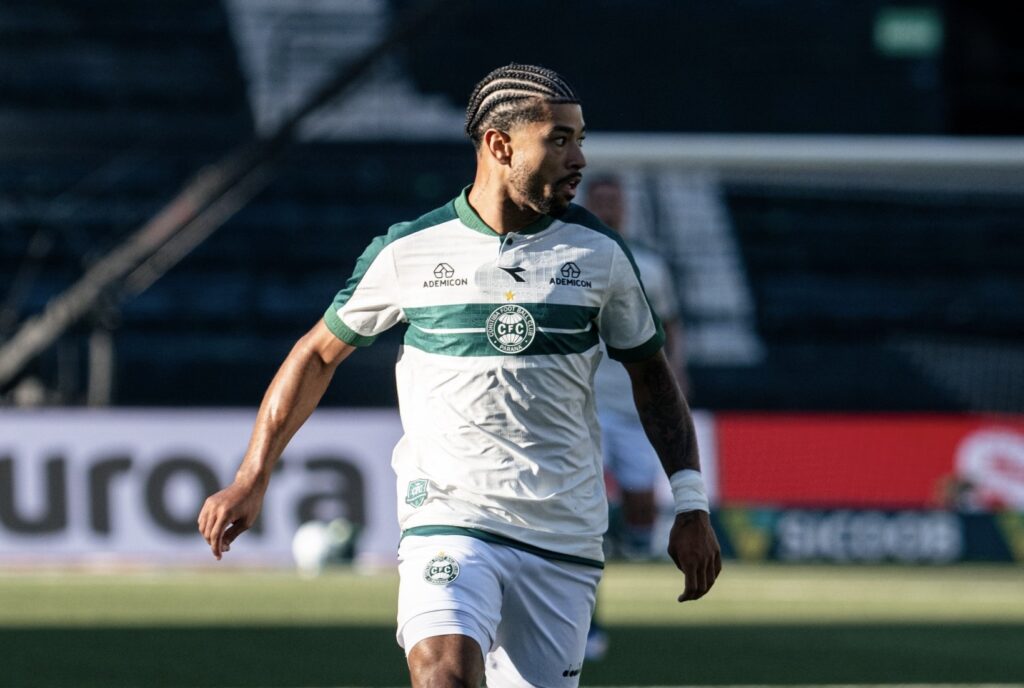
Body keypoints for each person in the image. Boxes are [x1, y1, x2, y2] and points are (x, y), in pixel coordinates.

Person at [198, 63, 721, 688]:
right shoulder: (409, 250)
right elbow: (316, 355)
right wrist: (251, 476)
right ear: (500, 145)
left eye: (580, 139)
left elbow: (654, 379)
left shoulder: (600, 255)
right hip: (449, 517)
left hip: (563, 533)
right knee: (444, 675)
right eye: (559, 139)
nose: (579, 158)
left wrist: (690, 503)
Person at [586, 175, 689, 560]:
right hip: (586, 398)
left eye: (613, 200)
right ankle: (586, 553)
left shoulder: (650, 265)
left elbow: (671, 324)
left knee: (640, 493)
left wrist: (677, 373)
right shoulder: (570, 257)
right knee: (584, 488)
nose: (608, 208)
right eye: (600, 200)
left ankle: (638, 554)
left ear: (625, 206)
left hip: (635, 398)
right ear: (587, 204)